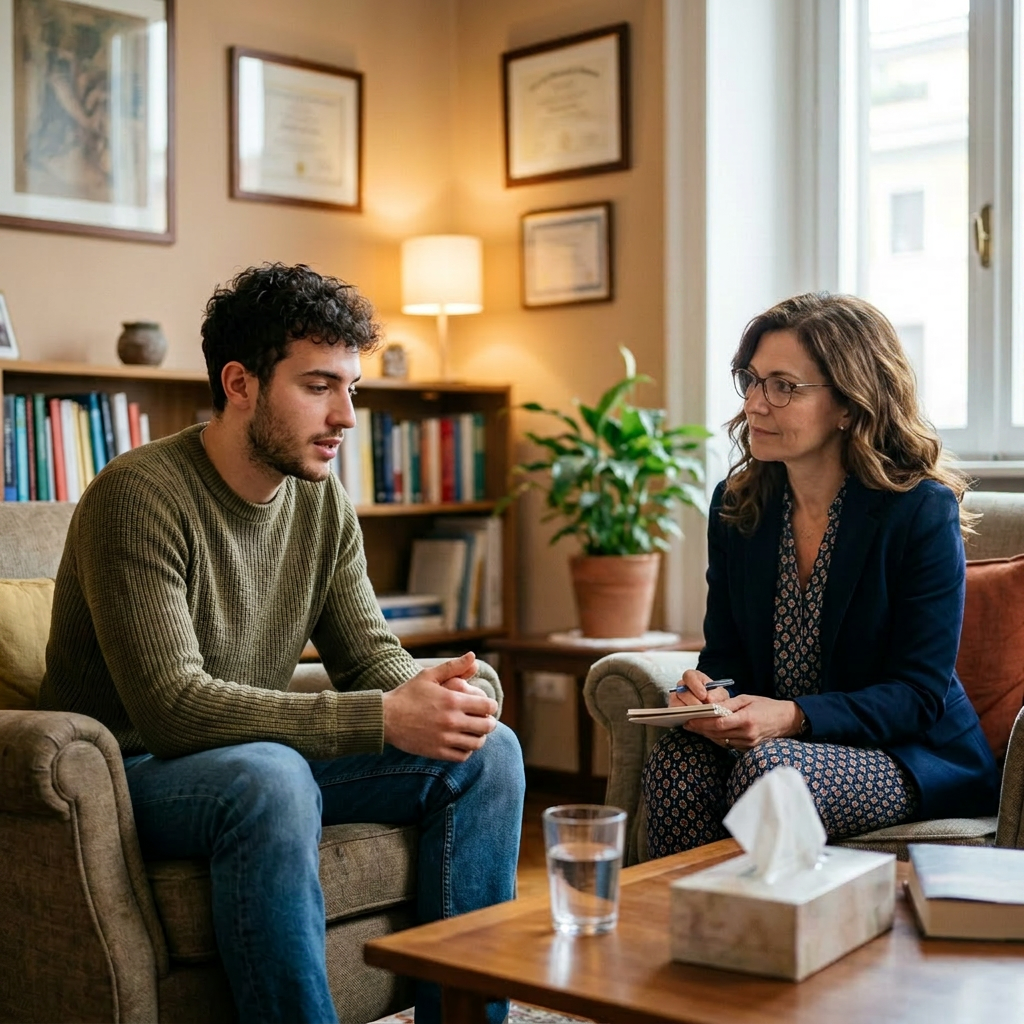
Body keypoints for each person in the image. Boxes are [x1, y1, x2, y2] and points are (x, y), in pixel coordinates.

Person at [37, 263, 525, 1024]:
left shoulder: (318, 499)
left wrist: (454, 695)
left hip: (257, 754)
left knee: (490, 753)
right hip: (131, 771)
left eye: (352, 389)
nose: (347, 417)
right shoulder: (137, 496)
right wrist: (383, 719)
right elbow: (171, 708)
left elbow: (370, 656)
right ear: (240, 384)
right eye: (319, 386)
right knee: (269, 776)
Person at [641, 292, 1000, 857]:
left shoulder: (919, 511)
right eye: (752, 379)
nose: (756, 404)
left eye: (784, 386)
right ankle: (678, 935)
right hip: (775, 746)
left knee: (772, 774)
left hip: (906, 753)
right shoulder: (737, 506)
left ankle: (766, 937)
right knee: (677, 764)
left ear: (849, 406)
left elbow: (917, 695)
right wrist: (708, 697)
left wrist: (794, 717)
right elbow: (728, 658)